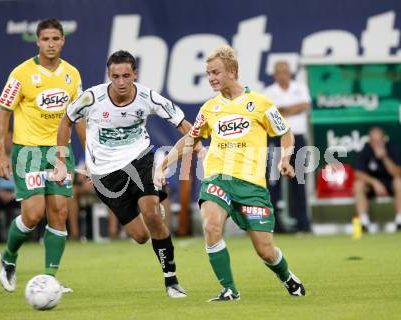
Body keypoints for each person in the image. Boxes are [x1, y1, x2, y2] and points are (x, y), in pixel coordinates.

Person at [155, 45, 306, 301]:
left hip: (251, 185)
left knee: (265, 251)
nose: (211, 78)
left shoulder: (260, 103)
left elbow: (285, 132)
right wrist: (164, 164)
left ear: (232, 71)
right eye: (208, 73)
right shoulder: (209, 109)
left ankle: (287, 276)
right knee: (211, 227)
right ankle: (229, 290)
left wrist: (286, 159)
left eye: (216, 72)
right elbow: (190, 140)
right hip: (217, 178)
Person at [54, 50, 192, 298]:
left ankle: (171, 280)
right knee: (140, 237)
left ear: (134, 74)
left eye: (126, 75)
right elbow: (66, 120)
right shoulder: (91, 98)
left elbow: (183, 122)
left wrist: (196, 141)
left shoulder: (147, 96)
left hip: (140, 159)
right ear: (109, 75)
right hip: (105, 175)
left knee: (151, 213)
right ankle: (150, 213)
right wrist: (61, 159)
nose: (121, 82)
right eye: (115, 76)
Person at [0, 18, 83, 292]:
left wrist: (90, 154)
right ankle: (8, 258)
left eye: (56, 38)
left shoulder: (72, 75)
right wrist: (2, 155)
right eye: (46, 39)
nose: (51, 44)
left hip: (59, 153)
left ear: (63, 40)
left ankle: (50, 279)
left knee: (59, 212)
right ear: (37, 42)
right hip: (28, 152)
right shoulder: (20, 74)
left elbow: (78, 118)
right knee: (33, 215)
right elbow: (2, 115)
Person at [263, 61, 311, 233]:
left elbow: (305, 105)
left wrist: (281, 111)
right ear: (275, 75)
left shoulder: (300, 88)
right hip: (276, 140)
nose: (282, 75)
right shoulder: (268, 92)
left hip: (297, 138)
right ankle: (273, 225)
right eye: (279, 72)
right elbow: (269, 114)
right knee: (273, 183)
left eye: (285, 71)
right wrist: (291, 109)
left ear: (290, 73)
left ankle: (303, 224)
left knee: (299, 181)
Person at [354, 127, 401, 231]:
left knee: (399, 182)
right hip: (372, 186)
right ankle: (364, 222)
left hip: (391, 184)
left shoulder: (393, 149)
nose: (377, 144)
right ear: (370, 141)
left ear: (384, 140)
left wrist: (385, 158)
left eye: (379, 141)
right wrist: (374, 182)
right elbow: (358, 173)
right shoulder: (365, 151)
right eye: (374, 141)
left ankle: (399, 220)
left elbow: (397, 173)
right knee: (358, 184)